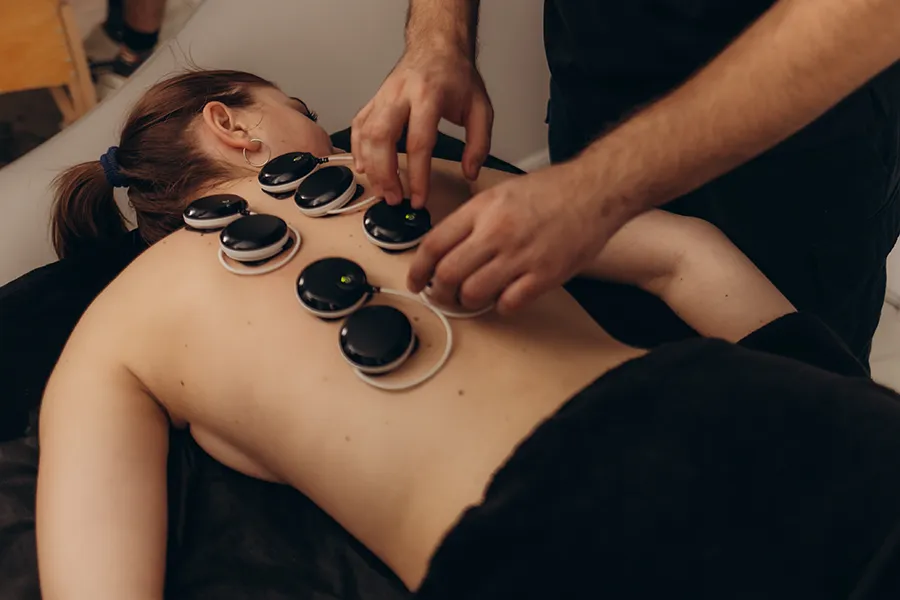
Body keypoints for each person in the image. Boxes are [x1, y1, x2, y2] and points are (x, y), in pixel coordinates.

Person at [35, 69, 900, 599]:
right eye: (299, 107)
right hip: (752, 412)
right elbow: (684, 251)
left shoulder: (114, 331)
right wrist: (823, 387)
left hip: (537, 549)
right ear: (230, 121)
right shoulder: (398, 175)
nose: (327, 132)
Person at [352, 0, 900, 367]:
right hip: (596, 95)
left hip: (804, 136)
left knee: (797, 404)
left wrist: (596, 189)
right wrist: (437, 39)